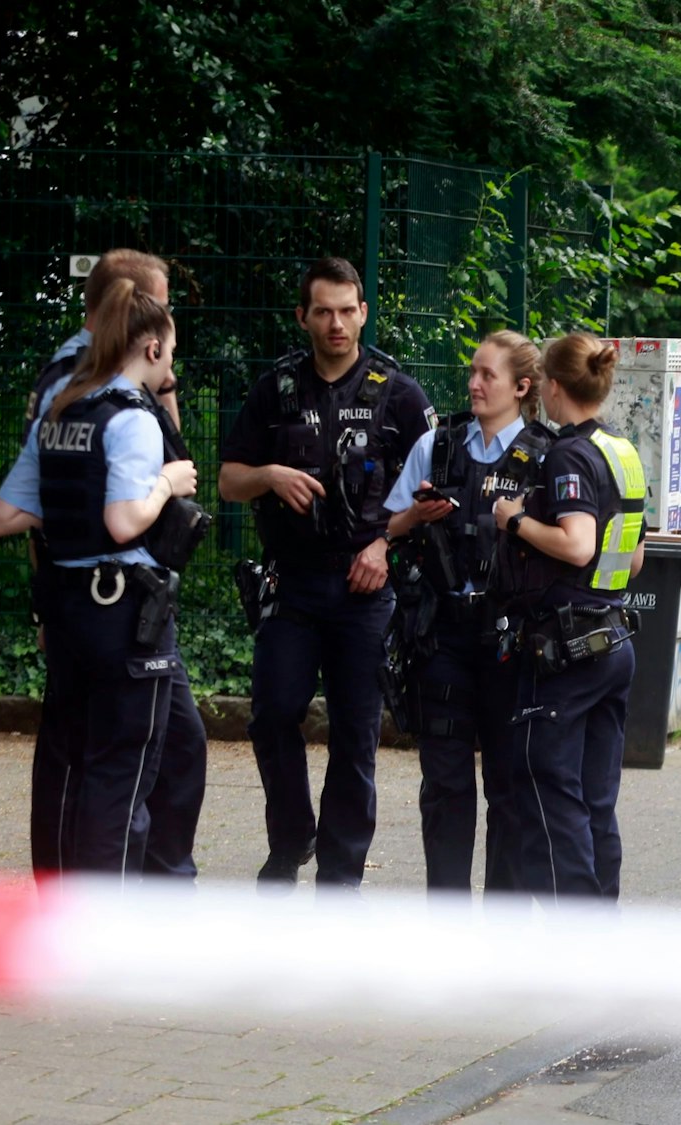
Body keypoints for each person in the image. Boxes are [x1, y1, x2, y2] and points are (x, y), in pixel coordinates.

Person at [218, 257, 436, 890]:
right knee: (272, 715)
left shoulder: (400, 395)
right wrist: (269, 475)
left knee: (355, 734)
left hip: (365, 586)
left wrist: (383, 546)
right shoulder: (276, 389)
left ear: (363, 313)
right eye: (323, 312)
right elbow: (228, 480)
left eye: (347, 310)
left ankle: (341, 875)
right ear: (303, 317)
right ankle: (291, 841)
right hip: (292, 583)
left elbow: (432, 498)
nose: (336, 323)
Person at [0, 279, 203, 878]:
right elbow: (123, 521)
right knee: (119, 774)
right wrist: (166, 485)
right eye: (171, 353)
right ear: (153, 349)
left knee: (70, 765)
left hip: (67, 613)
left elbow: (5, 517)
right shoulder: (132, 417)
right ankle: (108, 921)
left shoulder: (61, 410)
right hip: (123, 616)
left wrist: (71, 512)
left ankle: (60, 908)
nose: (170, 365)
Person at [382, 332, 549, 893]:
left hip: (513, 641)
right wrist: (417, 516)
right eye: (473, 372)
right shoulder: (438, 445)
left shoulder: (547, 456)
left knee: (509, 785)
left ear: (521, 388)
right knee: (445, 786)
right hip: (444, 637)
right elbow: (386, 526)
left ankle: (502, 926)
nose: (474, 384)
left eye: (487, 375)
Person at [493, 333, 646, 901]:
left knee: (551, 790)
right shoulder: (622, 451)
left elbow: (578, 545)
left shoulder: (567, 454)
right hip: (613, 639)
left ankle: (573, 933)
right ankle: (601, 924)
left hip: (567, 649)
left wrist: (513, 520)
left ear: (553, 387)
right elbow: (633, 560)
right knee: (596, 798)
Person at [26, 250, 179, 434]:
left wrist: (165, 386)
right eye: (160, 308)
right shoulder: (83, 372)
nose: (165, 318)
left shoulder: (97, 362)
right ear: (127, 303)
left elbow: (169, 445)